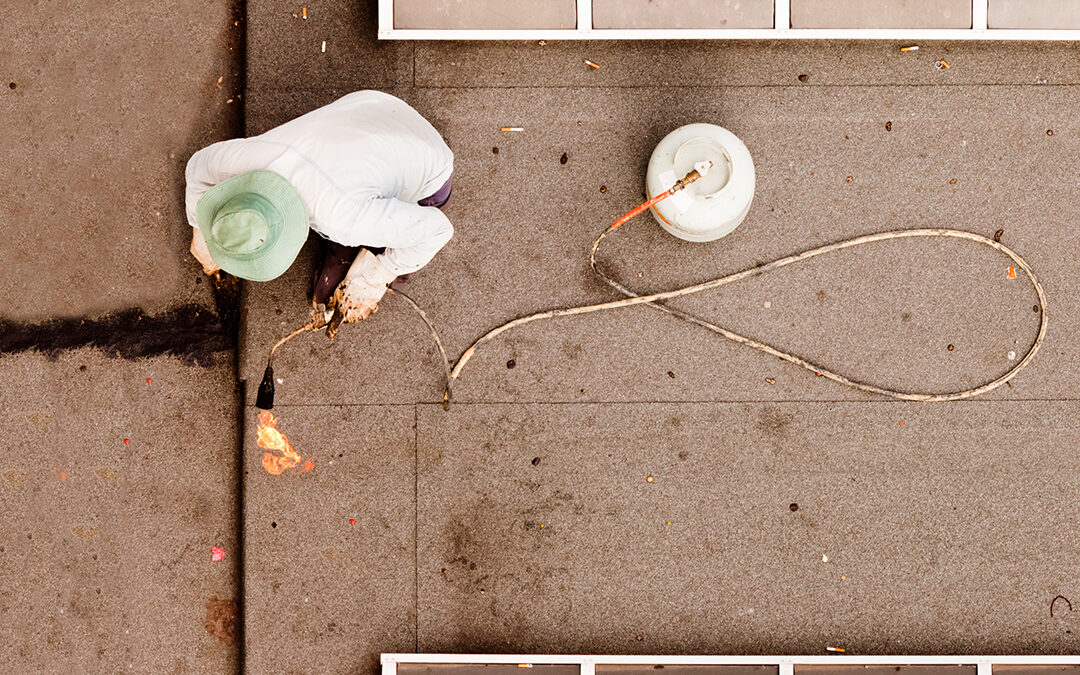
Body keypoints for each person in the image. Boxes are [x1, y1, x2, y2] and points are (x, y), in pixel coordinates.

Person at [185, 90, 454, 325]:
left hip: (427, 165)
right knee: (332, 280)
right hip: (373, 108)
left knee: (397, 251)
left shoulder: (342, 219)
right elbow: (198, 167)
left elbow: (437, 230)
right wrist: (200, 227)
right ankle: (360, 242)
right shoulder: (244, 160)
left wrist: (378, 275)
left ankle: (382, 257)